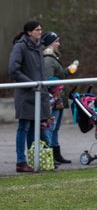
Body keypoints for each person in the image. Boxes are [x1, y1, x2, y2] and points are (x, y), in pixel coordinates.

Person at [8, 21, 51, 172]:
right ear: (29, 32)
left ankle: (35, 159)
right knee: (24, 127)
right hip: (26, 94)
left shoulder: (39, 46)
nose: (40, 31)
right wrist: (31, 84)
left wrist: (45, 89)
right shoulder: (20, 46)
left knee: (34, 128)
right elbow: (13, 69)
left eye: (41, 29)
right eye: (37, 29)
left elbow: (41, 71)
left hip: (39, 94)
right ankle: (21, 161)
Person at [41, 31, 75, 163]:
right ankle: (49, 155)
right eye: (57, 41)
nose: (59, 44)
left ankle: (56, 154)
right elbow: (50, 80)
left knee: (55, 128)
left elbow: (59, 77)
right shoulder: (48, 60)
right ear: (50, 44)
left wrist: (68, 71)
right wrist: (56, 97)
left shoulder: (54, 58)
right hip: (54, 100)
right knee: (51, 127)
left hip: (59, 99)